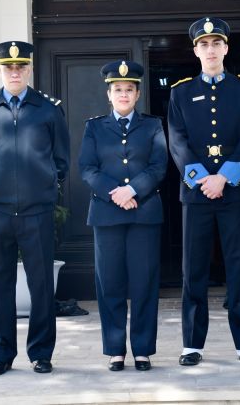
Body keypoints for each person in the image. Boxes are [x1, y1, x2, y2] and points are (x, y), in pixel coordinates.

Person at [0, 41, 70, 377]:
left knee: (41, 285)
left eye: (20, 66)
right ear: (0, 70)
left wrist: (42, 187)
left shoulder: (48, 109)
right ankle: (0, 354)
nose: (14, 72)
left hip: (37, 211)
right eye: (8, 67)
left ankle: (41, 353)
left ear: (29, 69)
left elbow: (62, 159)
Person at [168, 17, 240, 366]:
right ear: (195, 50)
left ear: (226, 47)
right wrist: (202, 178)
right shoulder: (179, 92)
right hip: (196, 194)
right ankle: (192, 344)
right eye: (203, 44)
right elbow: (177, 141)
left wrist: (224, 176)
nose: (210, 49)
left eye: (216, 43)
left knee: (238, 267)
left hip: (233, 191)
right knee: (193, 270)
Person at [79, 60, 167, 371]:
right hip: (106, 214)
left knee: (144, 283)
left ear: (138, 93)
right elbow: (87, 168)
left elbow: (159, 166)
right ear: (109, 94)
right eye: (118, 89)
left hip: (144, 214)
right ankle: (115, 350)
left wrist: (133, 191)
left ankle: (142, 349)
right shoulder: (94, 127)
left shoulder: (153, 126)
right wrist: (115, 192)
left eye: (129, 89)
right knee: (110, 284)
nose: (124, 94)